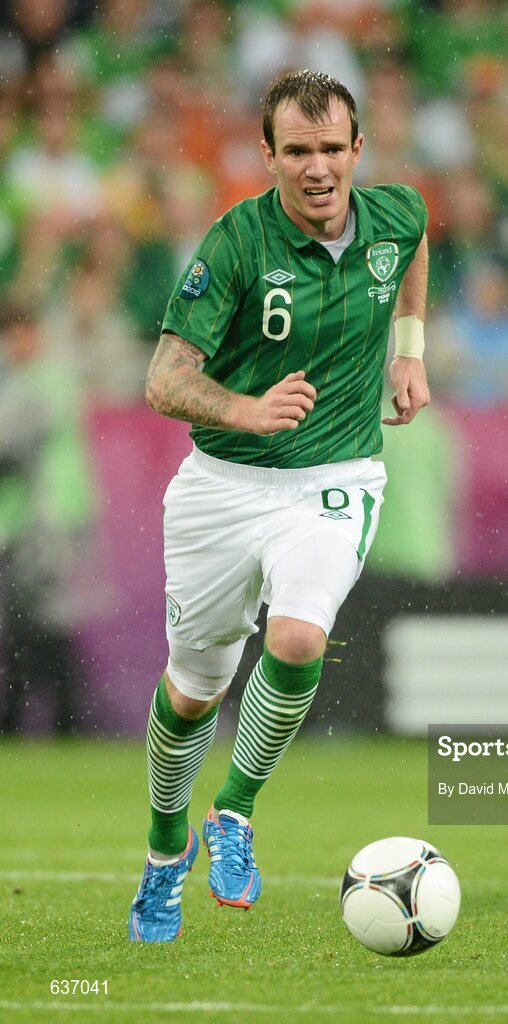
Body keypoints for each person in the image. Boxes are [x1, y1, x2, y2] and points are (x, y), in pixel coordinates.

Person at [128, 69, 430, 941]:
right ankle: (161, 852)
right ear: (268, 156)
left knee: (297, 636)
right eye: (297, 151)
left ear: (357, 149)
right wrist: (245, 409)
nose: (317, 168)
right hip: (221, 488)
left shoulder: (396, 212)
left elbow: (414, 248)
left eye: (332, 148)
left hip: (334, 480)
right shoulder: (234, 243)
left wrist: (408, 351)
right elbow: (163, 379)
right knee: (192, 692)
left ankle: (233, 813)